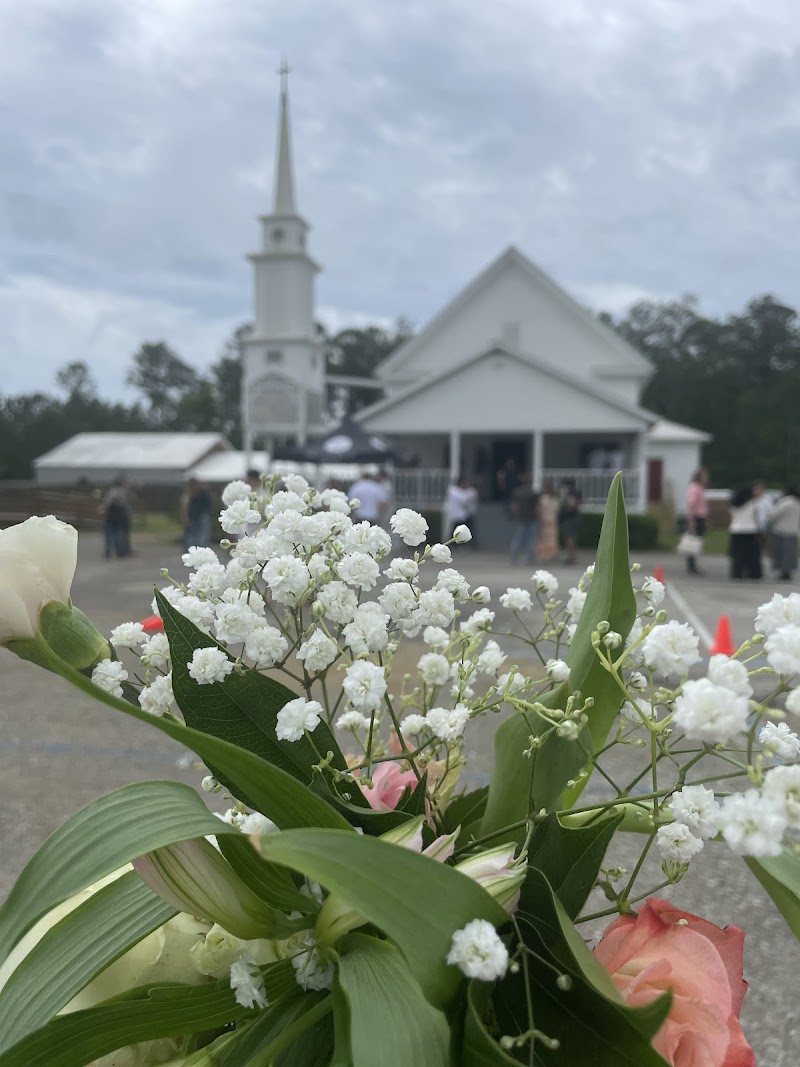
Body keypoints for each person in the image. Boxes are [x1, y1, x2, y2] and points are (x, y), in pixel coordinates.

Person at [728, 485, 762, 580]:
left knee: (737, 555)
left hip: (736, 530)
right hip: (750, 530)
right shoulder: (752, 503)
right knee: (752, 555)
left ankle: (737, 573)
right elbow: (755, 517)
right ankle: (753, 573)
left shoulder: (734, 504)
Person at [768, 487, 800, 581]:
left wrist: (769, 520)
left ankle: (782, 572)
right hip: (792, 531)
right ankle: (788, 571)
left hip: (781, 531)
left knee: (781, 553)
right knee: (790, 554)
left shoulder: (786, 502)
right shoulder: (797, 503)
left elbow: (774, 514)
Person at [508, 473, 540, 565]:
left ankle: (513, 558)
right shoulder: (533, 493)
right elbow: (536, 508)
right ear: (531, 482)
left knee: (517, 539)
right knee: (531, 540)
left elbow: (514, 506)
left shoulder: (517, 492)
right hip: (532, 518)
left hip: (521, 518)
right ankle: (529, 560)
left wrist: (515, 515)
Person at [685, 469, 709, 575]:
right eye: (704, 476)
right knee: (693, 542)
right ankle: (691, 566)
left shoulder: (699, 488)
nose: (706, 479)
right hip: (696, 518)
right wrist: (691, 520)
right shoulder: (695, 488)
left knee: (696, 542)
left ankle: (693, 565)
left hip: (700, 517)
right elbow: (692, 504)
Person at [102, 476, 131, 560]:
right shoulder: (124, 492)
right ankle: (120, 552)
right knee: (119, 534)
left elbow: (108, 502)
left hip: (112, 515)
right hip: (121, 515)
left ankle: (108, 552)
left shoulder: (113, 491)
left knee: (109, 534)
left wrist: (103, 508)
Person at [181, 477, 212, 550]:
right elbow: (184, 508)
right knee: (192, 538)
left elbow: (208, 505)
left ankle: (201, 550)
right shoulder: (187, 495)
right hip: (193, 519)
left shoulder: (202, 493)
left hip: (201, 517)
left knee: (202, 538)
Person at [559, 479, 582, 564]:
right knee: (568, 538)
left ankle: (572, 557)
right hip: (570, 518)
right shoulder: (575, 493)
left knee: (570, 538)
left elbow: (572, 505)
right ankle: (571, 556)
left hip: (570, 518)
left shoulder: (571, 494)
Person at [537, 480, 560, 561]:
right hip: (546, 520)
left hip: (551, 520)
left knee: (550, 539)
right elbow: (540, 510)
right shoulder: (544, 498)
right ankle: (545, 555)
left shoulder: (552, 498)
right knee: (546, 539)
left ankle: (549, 555)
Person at [444, 477, 473, 541]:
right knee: (457, 530)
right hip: (458, 514)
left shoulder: (455, 491)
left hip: (458, 513)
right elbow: (465, 500)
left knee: (456, 529)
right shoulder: (455, 491)